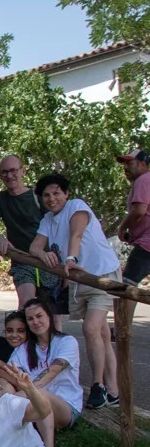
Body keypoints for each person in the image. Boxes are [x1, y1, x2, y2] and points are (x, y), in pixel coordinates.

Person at [29, 173, 121, 409]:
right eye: (46, 195)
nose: (52, 199)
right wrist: (44, 253)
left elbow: (76, 234)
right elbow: (34, 246)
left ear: (66, 193)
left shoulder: (77, 207)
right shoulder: (48, 219)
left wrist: (69, 258)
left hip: (100, 275)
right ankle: (114, 391)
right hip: (79, 279)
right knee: (100, 334)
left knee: (90, 328)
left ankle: (98, 386)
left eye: (56, 193)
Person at [6, 297, 82, 447]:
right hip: (33, 401)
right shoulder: (24, 349)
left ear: (49, 316)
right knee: (7, 391)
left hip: (66, 406)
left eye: (39, 316)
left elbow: (52, 371)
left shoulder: (67, 342)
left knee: (38, 395)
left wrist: (24, 393)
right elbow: (12, 373)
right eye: (30, 319)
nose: (35, 322)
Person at [0, 155, 58, 307]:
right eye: (4, 172)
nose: (9, 175)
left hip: (46, 259)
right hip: (21, 261)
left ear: (23, 171)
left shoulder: (38, 196)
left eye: (13, 170)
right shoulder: (1, 198)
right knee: (26, 305)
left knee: (51, 313)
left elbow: (56, 225)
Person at [115, 148, 150, 287]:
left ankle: (123, 310)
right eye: (125, 164)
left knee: (125, 287)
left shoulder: (142, 180)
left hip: (147, 244)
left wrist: (122, 228)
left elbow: (139, 211)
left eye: (130, 163)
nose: (126, 167)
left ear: (143, 164)